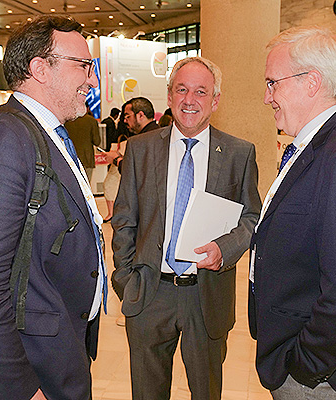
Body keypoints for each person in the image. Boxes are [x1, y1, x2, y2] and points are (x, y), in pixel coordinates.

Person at [0, 15, 105, 400]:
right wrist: (18, 389)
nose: (93, 80)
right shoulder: (2, 139)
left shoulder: (40, 133)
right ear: (39, 69)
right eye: (84, 66)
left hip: (58, 350)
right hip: (29, 368)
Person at [111, 56, 261, 400]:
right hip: (150, 292)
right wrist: (126, 279)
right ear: (169, 95)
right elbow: (124, 219)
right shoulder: (140, 149)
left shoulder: (239, 153)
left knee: (206, 392)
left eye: (200, 91)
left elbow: (252, 218)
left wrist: (226, 249)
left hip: (206, 294)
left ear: (215, 100)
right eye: (181, 90)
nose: (189, 100)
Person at [250, 27, 336, 400]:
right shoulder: (316, 147)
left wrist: (307, 363)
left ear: (311, 82)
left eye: (272, 84)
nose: (266, 97)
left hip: (315, 377)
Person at [107, 96, 160, 171]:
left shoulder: (137, 141)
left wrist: (116, 160)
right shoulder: (163, 135)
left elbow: (133, 172)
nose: (125, 121)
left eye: (128, 116)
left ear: (140, 115)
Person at [64, 107, 100, 181]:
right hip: (87, 159)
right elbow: (97, 141)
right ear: (87, 108)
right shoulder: (91, 121)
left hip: (70, 158)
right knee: (85, 185)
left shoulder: (67, 121)